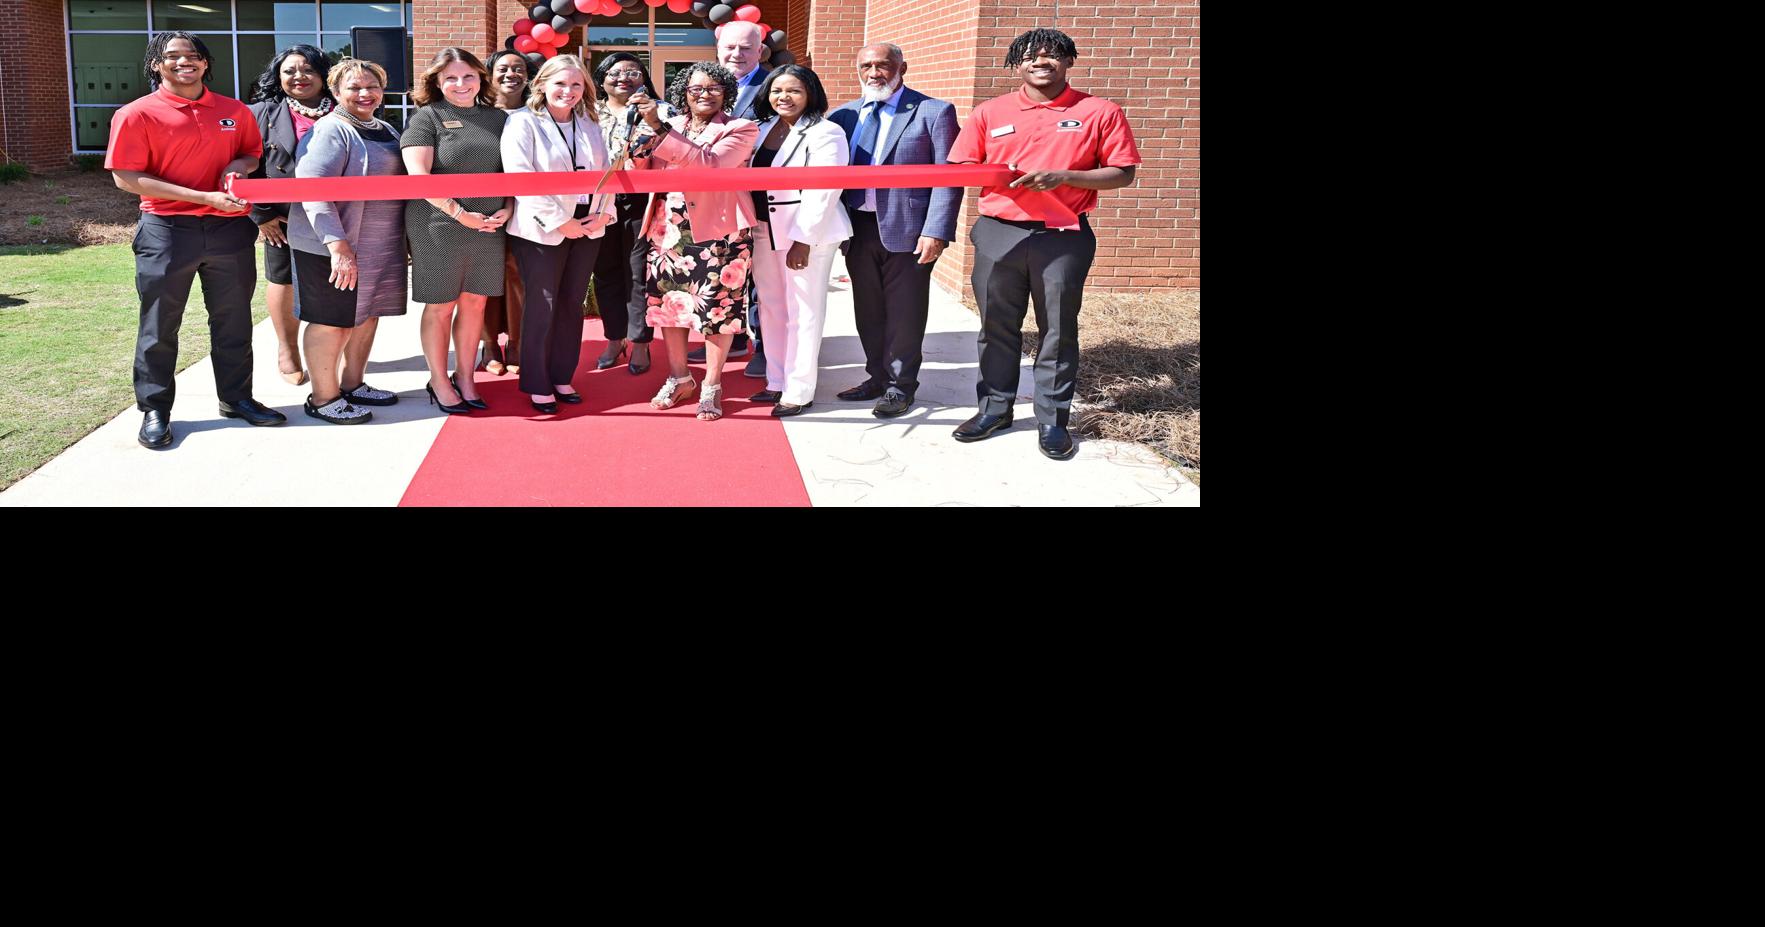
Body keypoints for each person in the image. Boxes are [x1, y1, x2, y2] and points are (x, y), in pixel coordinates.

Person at [947, 28, 1140, 460]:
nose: (1041, 61)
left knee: (1056, 328)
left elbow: (1123, 172)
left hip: (1063, 234)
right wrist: (993, 171)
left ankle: (1052, 420)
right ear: (1017, 64)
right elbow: (961, 165)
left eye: (1053, 55)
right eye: (1031, 55)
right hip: (1000, 231)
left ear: (1069, 61)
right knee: (996, 325)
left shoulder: (1099, 111)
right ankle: (994, 409)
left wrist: (1065, 176)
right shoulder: (990, 112)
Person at [108, 31, 285, 448]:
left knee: (234, 319)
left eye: (193, 56)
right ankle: (155, 409)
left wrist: (237, 168)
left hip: (227, 230)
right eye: (172, 56)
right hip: (167, 231)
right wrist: (202, 197)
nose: (184, 61)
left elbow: (250, 154)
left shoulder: (233, 110)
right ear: (157, 64)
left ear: (205, 63)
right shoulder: (137, 114)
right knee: (160, 324)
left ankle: (237, 398)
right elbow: (126, 177)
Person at [827, 43, 960, 419]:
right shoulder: (844, 116)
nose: (874, 73)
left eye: (883, 65)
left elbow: (949, 179)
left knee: (905, 312)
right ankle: (876, 376)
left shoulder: (933, 112)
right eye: (866, 65)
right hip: (858, 228)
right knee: (867, 308)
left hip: (909, 229)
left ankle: (901, 386)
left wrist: (936, 231)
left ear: (902, 67)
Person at [285, 58, 408, 424]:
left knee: (366, 314)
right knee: (332, 321)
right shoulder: (331, 130)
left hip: (377, 245)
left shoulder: (384, 128)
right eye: (354, 87)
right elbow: (314, 188)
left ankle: (353, 384)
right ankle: (324, 398)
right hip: (333, 246)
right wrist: (337, 246)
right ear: (336, 92)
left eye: (372, 86)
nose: (365, 93)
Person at [633, 61, 758, 421]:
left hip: (719, 231)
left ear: (726, 93)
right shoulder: (671, 125)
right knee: (669, 306)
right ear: (682, 92)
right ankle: (679, 377)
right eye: (696, 88)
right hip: (667, 228)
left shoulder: (740, 128)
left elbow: (710, 166)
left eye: (714, 88)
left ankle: (712, 385)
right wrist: (641, 141)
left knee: (716, 310)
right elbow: (637, 171)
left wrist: (659, 130)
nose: (704, 94)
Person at [501, 54, 616, 414]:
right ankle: (537, 380)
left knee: (573, 301)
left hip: (589, 223)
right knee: (543, 302)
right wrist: (560, 221)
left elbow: (608, 172)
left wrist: (603, 214)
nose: (568, 91)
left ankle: (562, 374)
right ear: (542, 85)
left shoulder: (590, 122)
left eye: (576, 84)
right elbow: (521, 178)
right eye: (561, 84)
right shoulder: (522, 123)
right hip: (542, 227)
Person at [400, 47, 512, 414]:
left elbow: (512, 174)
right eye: (450, 77)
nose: (460, 84)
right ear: (437, 82)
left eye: (468, 76)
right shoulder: (425, 118)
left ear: (481, 78)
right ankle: (439, 379)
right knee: (441, 306)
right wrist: (460, 213)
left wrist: (508, 208)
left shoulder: (499, 119)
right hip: (438, 224)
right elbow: (419, 179)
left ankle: (466, 377)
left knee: (476, 302)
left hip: (490, 225)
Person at [745, 65, 850, 417]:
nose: (783, 98)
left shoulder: (826, 131)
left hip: (807, 235)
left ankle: (799, 389)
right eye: (777, 91)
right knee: (773, 307)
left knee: (804, 311)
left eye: (794, 91)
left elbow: (825, 188)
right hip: (764, 229)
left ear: (810, 94)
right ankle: (776, 380)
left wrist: (803, 239)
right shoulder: (761, 130)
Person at [247, 43, 333, 387]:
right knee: (283, 278)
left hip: (338, 214)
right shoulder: (262, 113)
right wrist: (261, 213)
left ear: (324, 75)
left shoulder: (345, 108)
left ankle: (331, 348)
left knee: (338, 281)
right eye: (290, 71)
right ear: (278, 77)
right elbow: (249, 165)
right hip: (281, 217)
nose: (299, 76)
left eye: (308, 69)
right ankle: (288, 349)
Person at [687, 19, 768, 367]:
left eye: (746, 47)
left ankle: (763, 348)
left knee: (759, 281)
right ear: (718, 50)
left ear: (761, 51)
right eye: (730, 47)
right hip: (712, 203)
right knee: (724, 277)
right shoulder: (702, 86)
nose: (737, 53)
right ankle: (731, 340)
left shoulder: (774, 87)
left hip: (759, 197)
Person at [590, 51, 667, 376]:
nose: (623, 77)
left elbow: (673, 148)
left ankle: (641, 342)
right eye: (614, 72)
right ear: (602, 79)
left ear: (644, 78)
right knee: (605, 272)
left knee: (638, 274)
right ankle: (614, 338)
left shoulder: (661, 110)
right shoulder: (587, 112)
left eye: (633, 72)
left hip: (640, 201)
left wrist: (653, 121)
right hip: (598, 200)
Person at [479, 48, 530, 378]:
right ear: (489, 74)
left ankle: (516, 342)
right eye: (503, 68)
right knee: (482, 277)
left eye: (518, 68)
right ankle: (488, 345)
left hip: (525, 205)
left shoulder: (537, 113)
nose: (511, 74)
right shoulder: (475, 112)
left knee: (517, 275)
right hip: (481, 207)